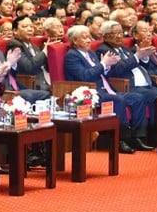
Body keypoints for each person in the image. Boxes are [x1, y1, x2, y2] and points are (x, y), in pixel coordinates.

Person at [61, 25, 151, 153]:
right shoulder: (72, 56)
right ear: (74, 41)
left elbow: (102, 72)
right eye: (85, 37)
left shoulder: (91, 54)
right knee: (117, 99)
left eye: (89, 37)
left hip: (108, 88)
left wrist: (108, 66)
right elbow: (84, 76)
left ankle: (138, 137)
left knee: (137, 98)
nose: (89, 40)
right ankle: (120, 140)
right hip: (92, 93)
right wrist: (104, 64)